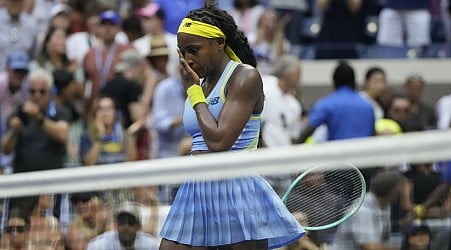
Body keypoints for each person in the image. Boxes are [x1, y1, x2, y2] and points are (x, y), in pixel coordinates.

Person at [159, 1, 305, 249]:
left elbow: (219, 142)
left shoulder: (244, 77)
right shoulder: (200, 82)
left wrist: (194, 92)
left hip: (236, 189)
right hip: (195, 188)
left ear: (219, 44)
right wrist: (196, 89)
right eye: (182, 52)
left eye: (194, 50)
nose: (187, 59)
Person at [296, 61, 375, 143]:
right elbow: (372, 133)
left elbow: (308, 130)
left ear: (334, 82)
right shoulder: (368, 106)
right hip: (364, 153)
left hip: (339, 153)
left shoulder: (327, 104)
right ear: (354, 82)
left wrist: (294, 146)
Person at [331, 170, 405, 250]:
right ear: (393, 191)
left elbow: (383, 239)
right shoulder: (362, 210)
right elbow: (370, 247)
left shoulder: (386, 204)